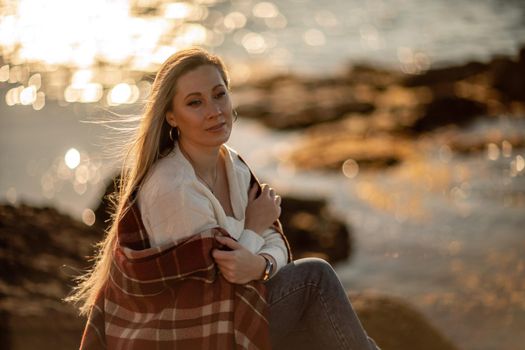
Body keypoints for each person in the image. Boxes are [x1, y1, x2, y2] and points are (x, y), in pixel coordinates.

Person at [67, 46, 379, 350]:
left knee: (322, 329)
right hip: (184, 331)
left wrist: (260, 267)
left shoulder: (232, 165)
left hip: (229, 308)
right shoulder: (172, 188)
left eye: (219, 94)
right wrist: (254, 228)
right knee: (314, 279)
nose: (215, 111)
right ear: (172, 117)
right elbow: (216, 282)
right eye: (195, 103)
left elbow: (274, 246)